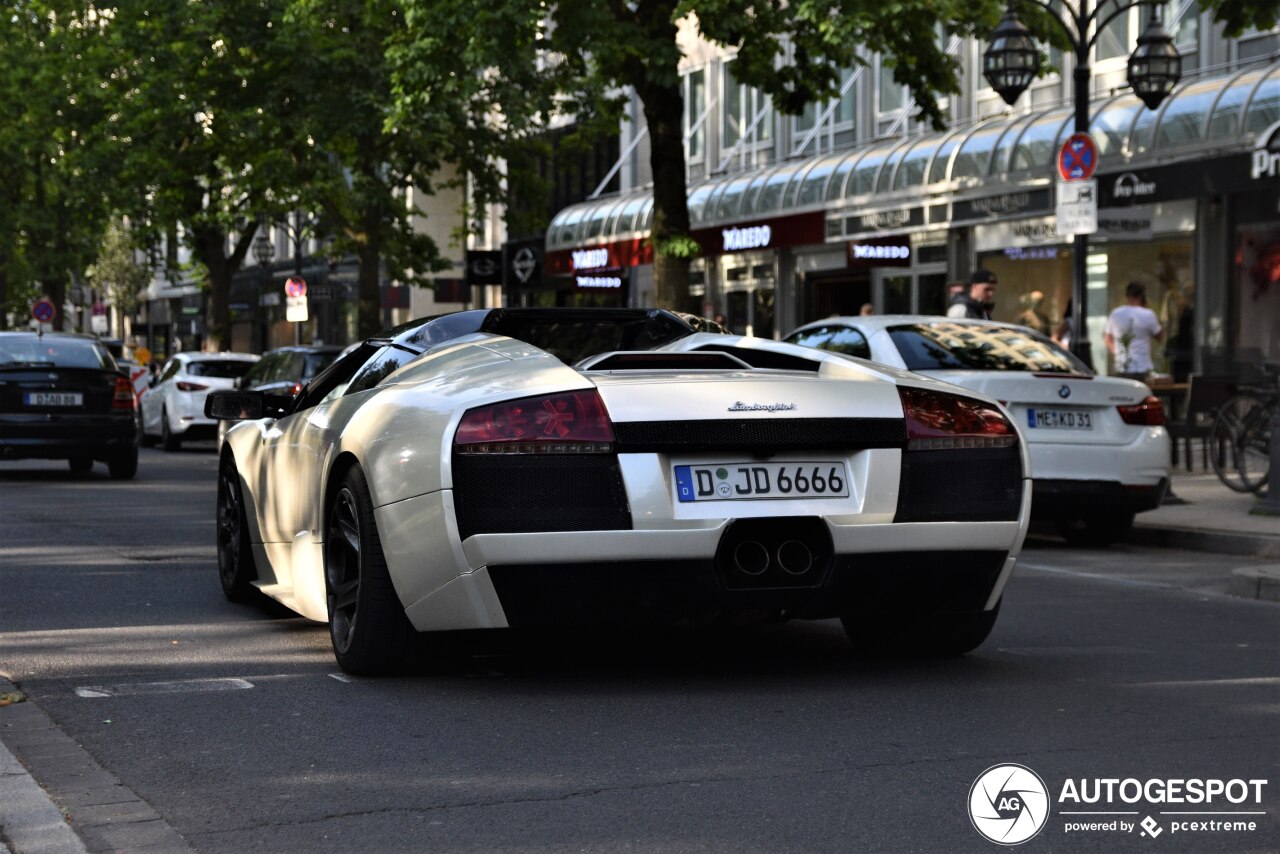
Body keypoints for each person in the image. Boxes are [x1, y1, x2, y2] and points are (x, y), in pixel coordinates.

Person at [1105, 281, 1163, 380]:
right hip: (1142, 367)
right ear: (1143, 296)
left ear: (1127, 296)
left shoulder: (1116, 313)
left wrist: (1118, 353)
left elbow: (1107, 340)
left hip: (1121, 367)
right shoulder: (1148, 314)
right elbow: (1160, 336)